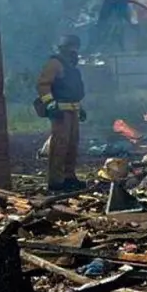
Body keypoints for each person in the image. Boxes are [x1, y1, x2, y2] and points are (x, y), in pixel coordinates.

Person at [36, 35, 87, 192]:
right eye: (72, 47)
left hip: (72, 110)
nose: (75, 51)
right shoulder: (54, 63)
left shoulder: (70, 67)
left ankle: (69, 177)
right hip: (60, 112)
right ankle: (56, 180)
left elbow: (73, 91)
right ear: (64, 48)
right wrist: (50, 103)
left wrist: (81, 108)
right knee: (60, 146)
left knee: (72, 145)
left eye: (76, 48)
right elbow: (42, 84)